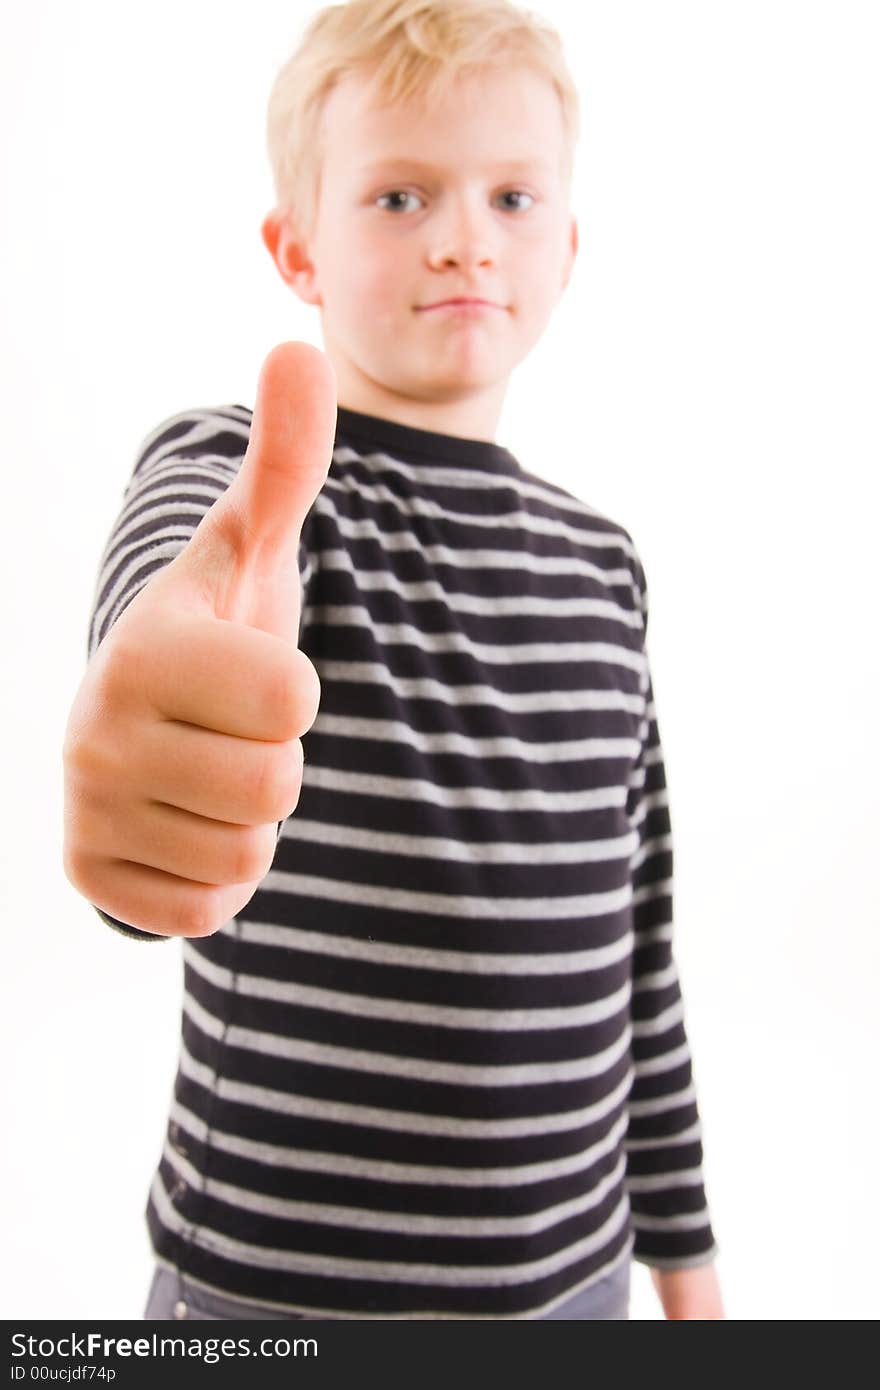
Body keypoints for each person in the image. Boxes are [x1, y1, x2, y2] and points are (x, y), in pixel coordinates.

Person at [62, 0, 724, 1320]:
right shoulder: (257, 487)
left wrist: (688, 1273)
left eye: (515, 197)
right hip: (276, 1296)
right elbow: (189, 587)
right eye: (401, 195)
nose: (467, 236)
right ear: (295, 246)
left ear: (572, 245)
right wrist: (152, 729)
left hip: (575, 1287)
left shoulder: (609, 567)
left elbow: (637, 956)